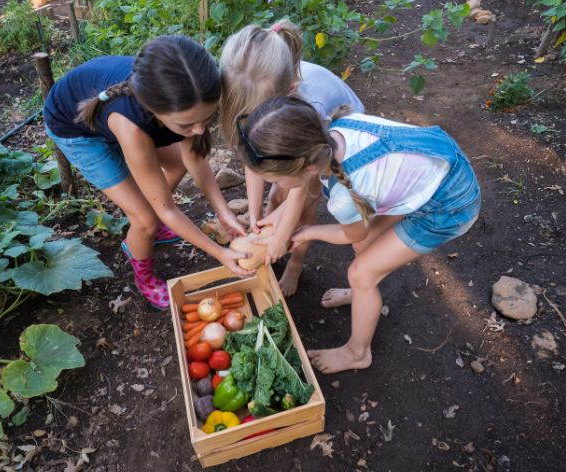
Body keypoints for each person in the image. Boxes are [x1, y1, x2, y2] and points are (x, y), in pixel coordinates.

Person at [236, 96, 481, 374]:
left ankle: (357, 352)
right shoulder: (331, 135)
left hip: (447, 204)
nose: (276, 187)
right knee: (367, 245)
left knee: (361, 273)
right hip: (435, 165)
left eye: (276, 181)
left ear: (307, 167)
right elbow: (304, 187)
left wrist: (305, 232)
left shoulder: (344, 196)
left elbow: (350, 234)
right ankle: (361, 295)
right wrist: (277, 221)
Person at [44, 35, 251, 310]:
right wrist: (220, 253)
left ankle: (149, 220)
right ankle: (144, 275)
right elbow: (169, 210)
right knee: (145, 219)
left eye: (208, 118)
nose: (200, 130)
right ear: (156, 111)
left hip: (112, 116)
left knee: (175, 165)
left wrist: (224, 213)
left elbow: (195, 162)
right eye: (187, 125)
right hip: (75, 129)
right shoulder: (133, 128)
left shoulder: (185, 98)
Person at [219, 19, 364, 296]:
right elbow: (253, 159)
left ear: (289, 92)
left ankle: (295, 264)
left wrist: (284, 233)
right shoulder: (255, 88)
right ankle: (272, 243)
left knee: (302, 208)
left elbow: (304, 188)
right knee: (275, 199)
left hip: (330, 141)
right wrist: (254, 214)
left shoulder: (311, 106)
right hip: (294, 143)